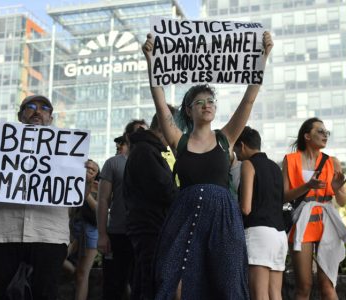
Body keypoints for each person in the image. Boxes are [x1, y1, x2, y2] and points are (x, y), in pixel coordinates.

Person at [142, 31, 273, 300]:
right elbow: (159, 101)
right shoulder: (179, 140)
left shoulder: (226, 138)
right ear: (188, 111)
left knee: (225, 285)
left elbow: (248, 100)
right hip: (185, 216)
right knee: (174, 283)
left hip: (223, 218)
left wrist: (262, 57)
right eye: (199, 102)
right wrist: (151, 60)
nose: (206, 105)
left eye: (210, 101)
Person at [0, 95, 99, 299]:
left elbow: (76, 198)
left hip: (48, 234)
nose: (37, 111)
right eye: (30, 106)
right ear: (20, 115)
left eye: (44, 108)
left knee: (44, 294)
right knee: (1, 294)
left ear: (50, 117)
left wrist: (86, 180)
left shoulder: (68, 151)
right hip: (2, 232)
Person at [282, 117, 346, 300]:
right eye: (320, 131)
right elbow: (285, 195)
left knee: (327, 284)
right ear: (307, 136)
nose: (325, 135)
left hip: (327, 222)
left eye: (326, 132)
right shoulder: (290, 160)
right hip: (302, 222)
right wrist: (307, 186)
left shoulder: (332, 161)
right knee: (304, 286)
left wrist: (336, 189)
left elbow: (343, 201)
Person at [123, 106, 178, 300]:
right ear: (166, 126)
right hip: (150, 226)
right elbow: (163, 188)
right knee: (151, 282)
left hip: (151, 225)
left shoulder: (147, 150)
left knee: (145, 280)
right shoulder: (146, 151)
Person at [234, 126, 287, 300]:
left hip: (258, 234)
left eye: (236, 149)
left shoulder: (248, 164)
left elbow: (246, 208)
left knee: (259, 295)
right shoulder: (274, 167)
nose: (237, 155)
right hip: (279, 235)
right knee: (275, 294)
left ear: (242, 145)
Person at [97, 119, 148, 300]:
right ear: (128, 136)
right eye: (138, 131)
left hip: (144, 235)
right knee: (113, 286)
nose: (143, 134)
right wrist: (102, 234)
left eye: (146, 131)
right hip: (117, 234)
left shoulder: (156, 161)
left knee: (141, 286)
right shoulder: (113, 163)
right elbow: (103, 200)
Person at [71, 159, 100, 300]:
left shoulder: (97, 186)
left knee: (82, 274)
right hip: (74, 228)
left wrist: (85, 189)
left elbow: (99, 210)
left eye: (91, 170)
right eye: (86, 169)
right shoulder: (71, 183)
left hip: (91, 231)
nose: (87, 172)